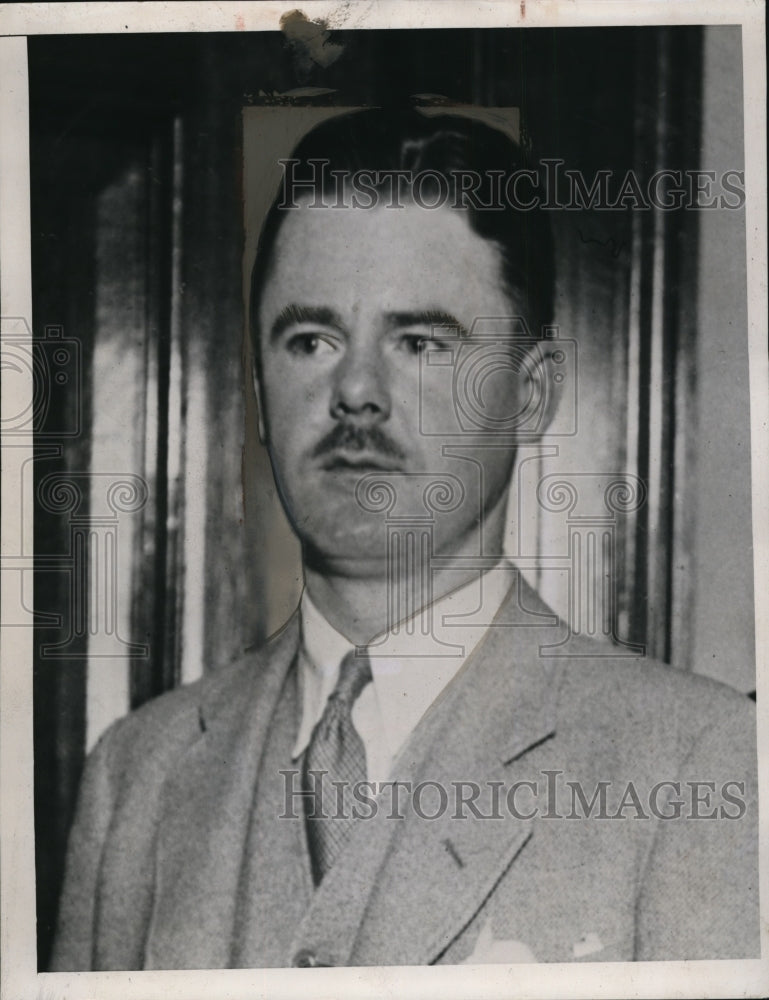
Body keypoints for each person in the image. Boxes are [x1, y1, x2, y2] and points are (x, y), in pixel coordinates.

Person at [51, 108, 758, 970]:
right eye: (311, 339)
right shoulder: (139, 776)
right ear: (260, 389)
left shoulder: (697, 768)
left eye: (419, 341)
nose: (355, 391)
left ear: (530, 396)